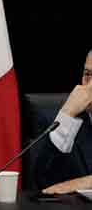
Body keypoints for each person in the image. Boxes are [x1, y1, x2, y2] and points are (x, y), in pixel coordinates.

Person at [34, 50, 92, 194]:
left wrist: (88, 182)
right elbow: (45, 183)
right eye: (87, 75)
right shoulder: (66, 123)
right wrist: (67, 114)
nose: (90, 86)